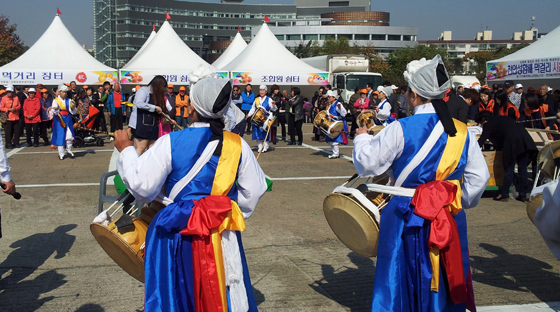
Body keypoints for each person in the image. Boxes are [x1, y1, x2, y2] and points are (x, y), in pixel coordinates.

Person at [114, 73, 267, 312]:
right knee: (224, 285)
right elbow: (255, 190)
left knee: (179, 290)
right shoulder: (237, 145)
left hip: (179, 230)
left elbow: (142, 187)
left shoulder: (171, 141)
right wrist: (224, 214)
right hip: (220, 231)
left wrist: (126, 150)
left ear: (193, 106)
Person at [353, 55, 489, 312]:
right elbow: (479, 178)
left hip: (406, 211)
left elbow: (368, 165)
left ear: (413, 94)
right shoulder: (463, 132)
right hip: (448, 214)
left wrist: (361, 139)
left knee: (399, 273)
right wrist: (456, 201)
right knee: (446, 272)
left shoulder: (400, 127)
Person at [476, 111, 537, 202]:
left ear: (484, 120)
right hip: (524, 141)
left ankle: (504, 194)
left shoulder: (489, 124)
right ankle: (523, 194)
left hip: (511, 144)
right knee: (523, 168)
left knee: (509, 168)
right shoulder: (503, 118)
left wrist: (474, 150)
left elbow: (482, 140)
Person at [130, 75, 173, 155]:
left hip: (153, 125)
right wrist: (154, 107)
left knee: (153, 149)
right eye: (162, 87)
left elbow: (163, 111)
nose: (163, 90)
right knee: (141, 148)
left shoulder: (156, 94)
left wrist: (169, 119)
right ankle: (133, 165)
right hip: (141, 125)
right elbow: (139, 104)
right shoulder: (143, 90)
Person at [248, 85, 277, 153]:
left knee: (265, 132)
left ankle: (265, 146)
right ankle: (260, 147)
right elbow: (253, 109)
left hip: (265, 119)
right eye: (261, 90)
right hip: (257, 118)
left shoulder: (269, 99)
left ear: (266, 92)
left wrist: (273, 105)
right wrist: (248, 115)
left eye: (263, 90)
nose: (262, 92)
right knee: (256, 132)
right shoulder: (256, 99)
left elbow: (274, 109)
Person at [52, 84, 76, 160]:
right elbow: (53, 110)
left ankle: (69, 150)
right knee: (61, 136)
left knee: (69, 135)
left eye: (66, 92)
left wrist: (73, 108)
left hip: (67, 118)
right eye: (63, 92)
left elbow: (72, 111)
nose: (65, 93)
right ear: (60, 92)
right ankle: (61, 153)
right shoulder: (56, 100)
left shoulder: (69, 100)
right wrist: (55, 109)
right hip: (59, 118)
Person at [324, 90, 348, 159]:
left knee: (335, 138)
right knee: (330, 137)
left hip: (336, 122)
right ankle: (335, 152)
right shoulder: (329, 105)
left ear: (334, 98)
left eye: (330, 97)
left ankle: (336, 153)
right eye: (328, 97)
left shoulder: (338, 104)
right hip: (331, 122)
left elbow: (344, 113)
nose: (329, 98)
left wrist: (340, 109)